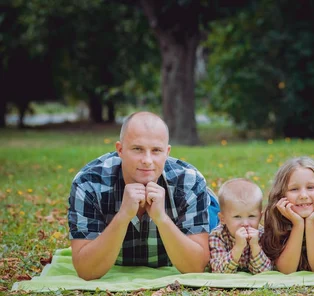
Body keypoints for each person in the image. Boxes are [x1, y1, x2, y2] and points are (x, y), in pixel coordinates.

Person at [68, 111, 218, 280]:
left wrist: (162, 218)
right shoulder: (88, 183)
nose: (147, 160)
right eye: (137, 149)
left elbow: (196, 267)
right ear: (120, 150)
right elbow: (86, 271)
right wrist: (123, 216)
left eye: (156, 150)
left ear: (167, 152)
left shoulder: (189, 181)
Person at [261, 157, 314, 273]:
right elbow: (286, 270)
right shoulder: (276, 220)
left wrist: (311, 223)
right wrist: (298, 225)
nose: (303, 195)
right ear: (281, 195)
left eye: (311, 188)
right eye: (294, 189)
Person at [209, 179, 273, 274]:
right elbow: (219, 272)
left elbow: (265, 272)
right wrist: (238, 248)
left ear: (260, 217)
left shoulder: (262, 235)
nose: (245, 223)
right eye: (237, 217)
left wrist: (255, 246)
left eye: (251, 216)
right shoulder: (217, 236)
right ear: (223, 219)